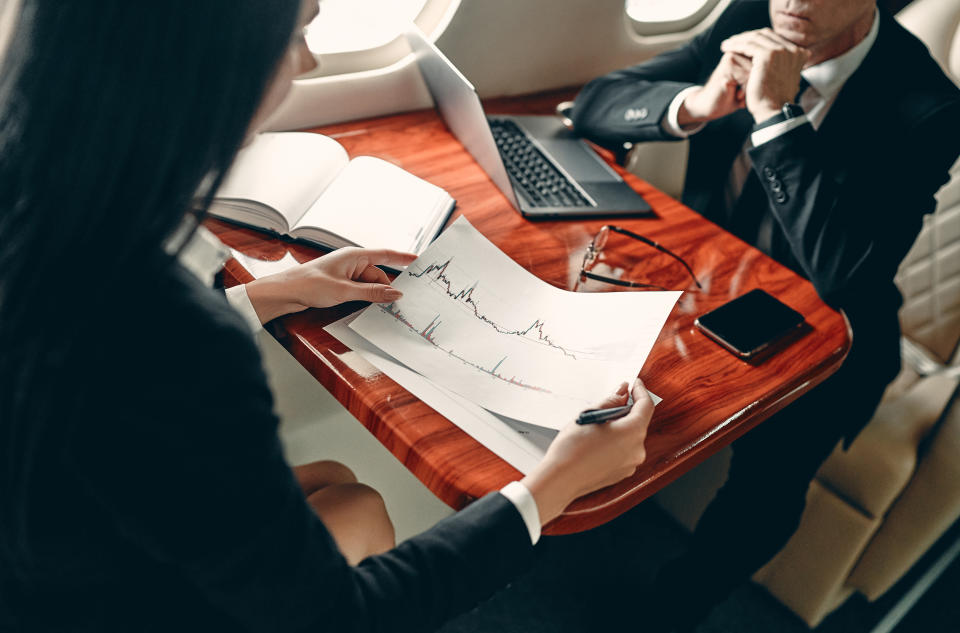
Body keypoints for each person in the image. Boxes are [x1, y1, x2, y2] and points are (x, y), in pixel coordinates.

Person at [0, 1, 656, 632]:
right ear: (219, 62)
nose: (308, 65)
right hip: (81, 607)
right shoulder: (184, 338)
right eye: (297, 35)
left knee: (342, 487)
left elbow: (98, 357)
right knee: (360, 514)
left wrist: (278, 292)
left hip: (40, 539)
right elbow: (346, 614)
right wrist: (553, 485)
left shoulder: (37, 201)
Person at [572, 0, 960, 629]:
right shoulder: (748, 16)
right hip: (709, 282)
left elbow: (845, 274)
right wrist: (695, 104)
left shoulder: (931, 108)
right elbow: (598, 101)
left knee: (766, 495)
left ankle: (674, 607)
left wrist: (776, 118)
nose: (794, 2)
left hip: (834, 335)